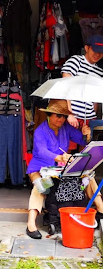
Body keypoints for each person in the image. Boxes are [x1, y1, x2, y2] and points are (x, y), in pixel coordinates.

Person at [25, 99, 103, 239]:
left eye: (64, 116)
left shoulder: (66, 128)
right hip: (39, 168)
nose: (62, 119)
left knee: (87, 178)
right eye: (58, 116)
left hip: (61, 169)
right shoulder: (40, 131)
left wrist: (87, 134)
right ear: (49, 115)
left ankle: (101, 208)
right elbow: (42, 151)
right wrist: (59, 157)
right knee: (41, 187)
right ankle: (31, 224)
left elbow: (82, 141)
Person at [61, 35, 103, 131]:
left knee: (86, 145)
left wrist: (93, 116)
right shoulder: (75, 61)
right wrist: (69, 114)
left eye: (101, 52)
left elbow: (95, 98)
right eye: (95, 50)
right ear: (86, 48)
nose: (97, 54)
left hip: (89, 118)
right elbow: (64, 86)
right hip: (72, 116)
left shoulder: (99, 72)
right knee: (69, 145)